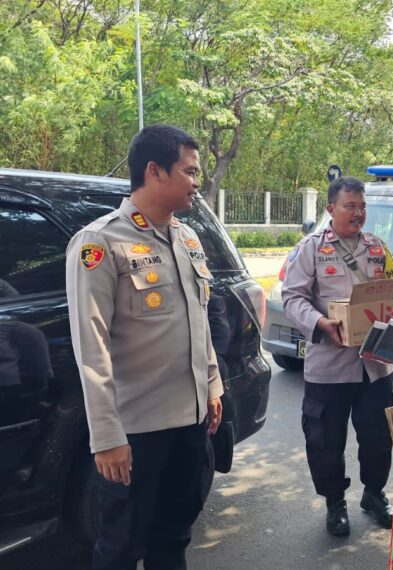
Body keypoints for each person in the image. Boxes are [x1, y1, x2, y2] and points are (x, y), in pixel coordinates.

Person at [66, 124, 223, 570]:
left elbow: (199, 321)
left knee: (173, 539)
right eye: (190, 172)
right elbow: (90, 346)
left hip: (190, 425)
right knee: (120, 549)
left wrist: (212, 385)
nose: (198, 181)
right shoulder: (100, 242)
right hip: (137, 433)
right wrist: (107, 437)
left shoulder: (188, 238)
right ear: (155, 171)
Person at [282, 176, 393, 536]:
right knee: (325, 441)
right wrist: (320, 323)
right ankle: (335, 502)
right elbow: (292, 298)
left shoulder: (378, 248)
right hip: (329, 367)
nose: (358, 213)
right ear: (331, 208)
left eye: (362, 207)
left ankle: (374, 494)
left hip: (375, 366)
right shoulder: (310, 249)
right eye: (350, 206)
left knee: (379, 437)